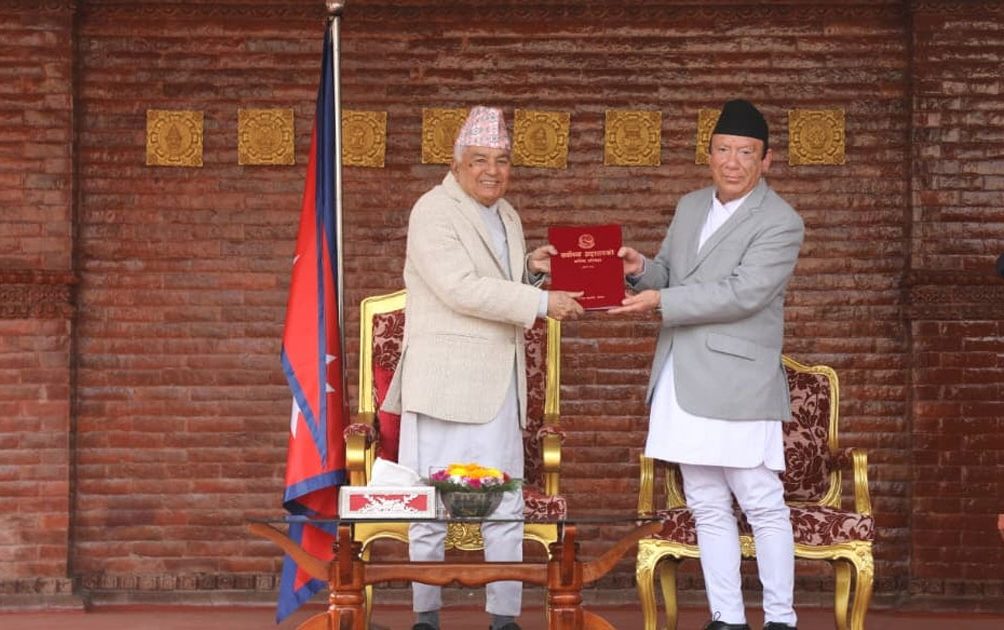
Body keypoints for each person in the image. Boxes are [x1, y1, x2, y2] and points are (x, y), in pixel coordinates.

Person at [383, 105, 584, 630]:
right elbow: (461, 288)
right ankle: (426, 617)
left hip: (498, 384)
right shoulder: (433, 210)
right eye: (479, 160)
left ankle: (503, 617)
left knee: (504, 504)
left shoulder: (508, 214)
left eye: (501, 160)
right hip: (444, 383)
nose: (491, 171)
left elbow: (499, 280)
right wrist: (542, 302)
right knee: (431, 506)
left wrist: (531, 271)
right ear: (456, 164)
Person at [611, 99, 804, 630]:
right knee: (706, 502)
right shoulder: (691, 205)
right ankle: (727, 617)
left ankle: (781, 619)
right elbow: (672, 275)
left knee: (761, 501)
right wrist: (641, 269)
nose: (732, 162)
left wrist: (661, 300)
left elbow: (745, 293)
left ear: (766, 160)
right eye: (723, 150)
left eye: (746, 152)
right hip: (681, 374)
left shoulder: (781, 221)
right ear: (709, 154)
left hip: (738, 381)